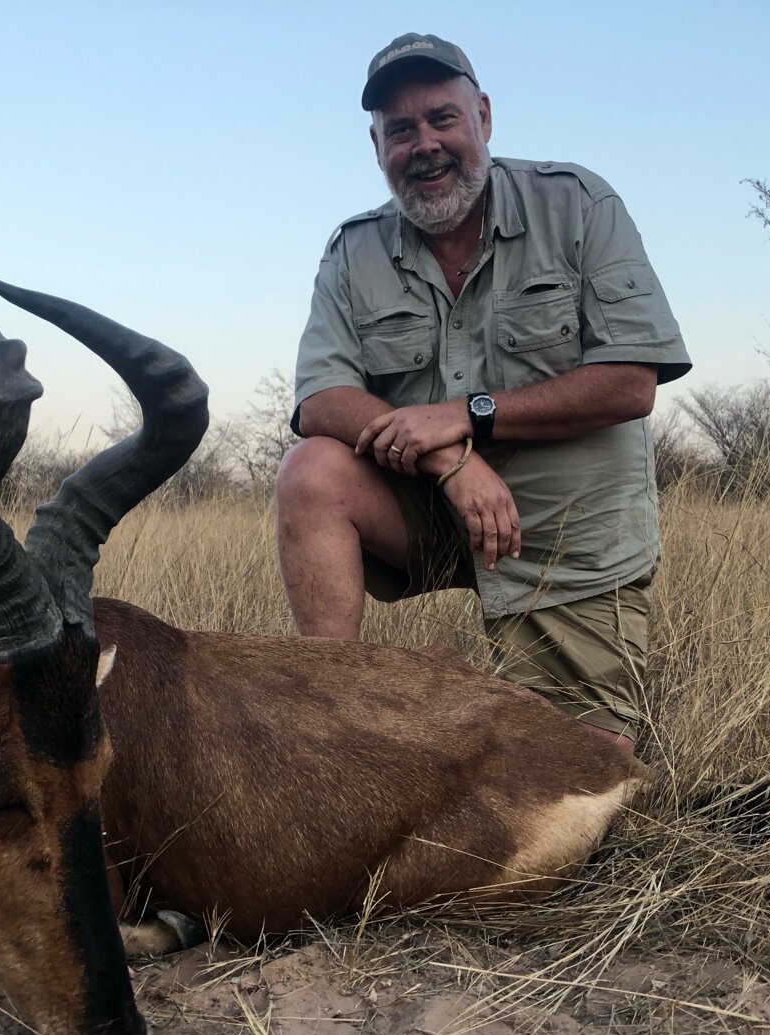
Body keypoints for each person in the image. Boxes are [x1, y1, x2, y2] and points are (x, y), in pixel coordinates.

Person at [277, 33, 691, 755]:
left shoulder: (581, 205)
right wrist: (454, 463)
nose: (425, 145)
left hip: (568, 529)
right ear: (376, 146)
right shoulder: (353, 250)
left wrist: (466, 417)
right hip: (439, 508)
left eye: (442, 118)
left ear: (484, 118)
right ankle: (329, 720)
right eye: (400, 130)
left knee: (583, 774)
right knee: (310, 472)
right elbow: (320, 398)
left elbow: (632, 382)